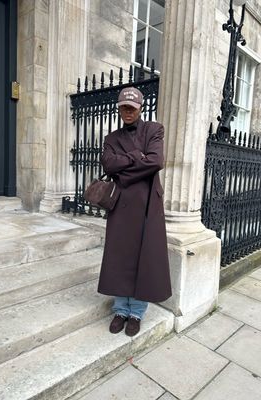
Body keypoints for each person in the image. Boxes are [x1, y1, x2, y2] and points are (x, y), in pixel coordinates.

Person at [98, 87, 172, 337]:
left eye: (132, 107)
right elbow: (108, 164)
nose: (127, 112)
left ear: (140, 107)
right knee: (120, 256)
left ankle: (137, 312)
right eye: (123, 107)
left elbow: (156, 161)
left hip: (148, 203)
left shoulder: (154, 129)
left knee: (144, 255)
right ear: (118, 108)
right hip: (120, 203)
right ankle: (120, 309)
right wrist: (136, 157)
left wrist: (124, 165)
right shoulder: (111, 137)